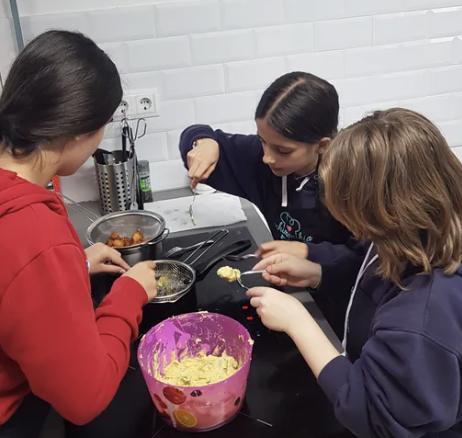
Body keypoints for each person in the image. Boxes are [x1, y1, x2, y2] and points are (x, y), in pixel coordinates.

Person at [249, 108, 462, 437]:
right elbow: (369, 259)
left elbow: (373, 414)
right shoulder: (421, 233)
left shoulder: (420, 318)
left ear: (382, 215)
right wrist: (317, 271)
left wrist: (298, 321)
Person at [0, 30, 157, 437]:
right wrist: (130, 294)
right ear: (76, 131)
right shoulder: (33, 233)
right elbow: (85, 399)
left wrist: (69, 266)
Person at [180, 72, 364, 336]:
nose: (267, 158)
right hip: (295, 294)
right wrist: (204, 142)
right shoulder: (263, 159)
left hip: (344, 307)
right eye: (263, 141)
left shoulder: (352, 181)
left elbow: (369, 260)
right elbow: (196, 135)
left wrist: (307, 252)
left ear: (322, 145)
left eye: (283, 150)